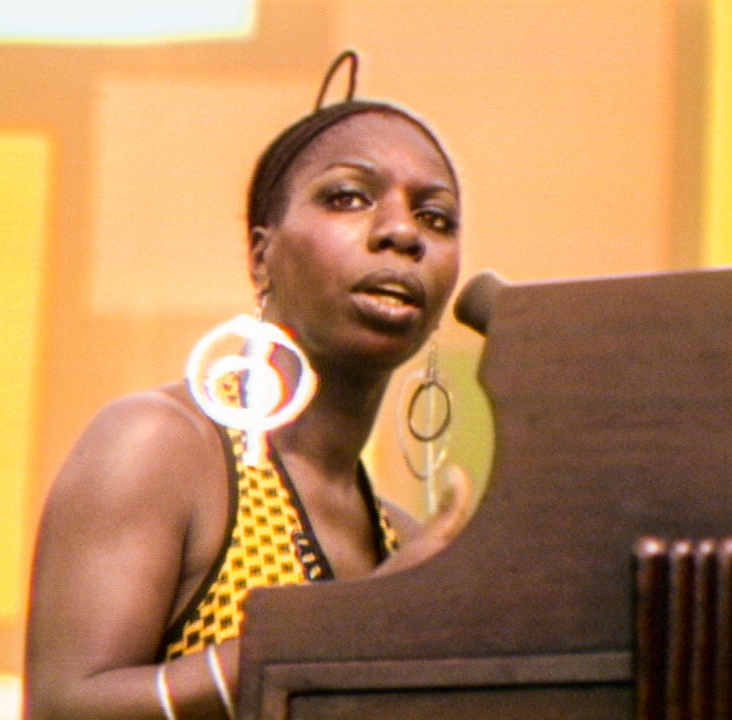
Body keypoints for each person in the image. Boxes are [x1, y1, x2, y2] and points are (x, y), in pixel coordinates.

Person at [23, 51, 471, 720]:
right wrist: (362, 619)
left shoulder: (402, 541)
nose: (403, 232)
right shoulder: (161, 445)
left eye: (436, 218)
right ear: (262, 254)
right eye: (348, 197)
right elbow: (66, 707)